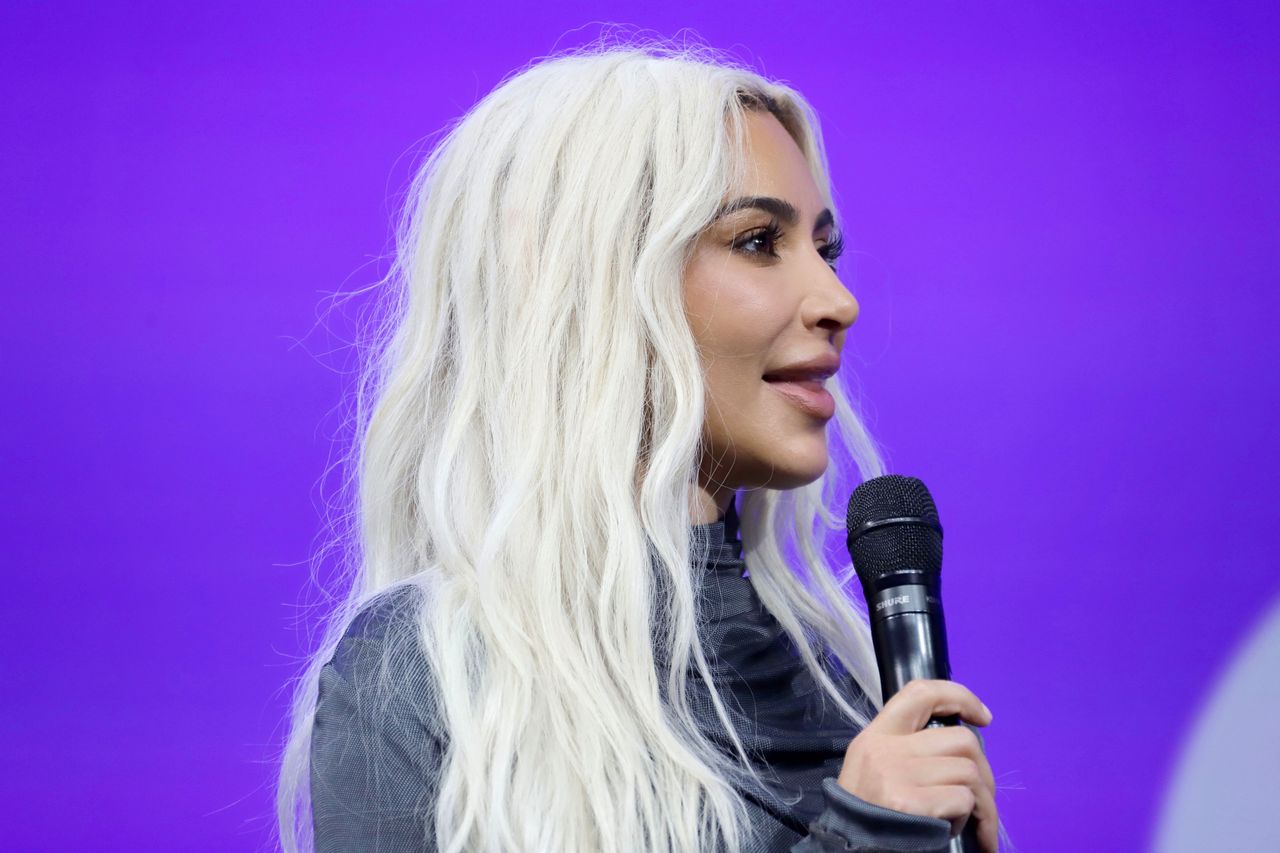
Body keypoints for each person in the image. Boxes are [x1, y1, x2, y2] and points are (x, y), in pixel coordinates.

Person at [276, 39, 1002, 853]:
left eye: (825, 249)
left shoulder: (844, 692)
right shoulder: (424, 680)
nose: (838, 299)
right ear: (600, 285)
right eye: (760, 241)